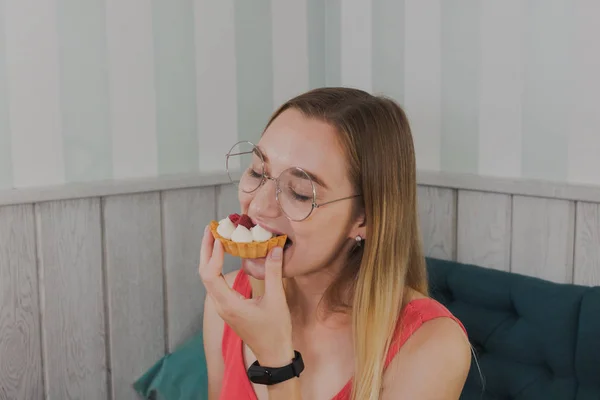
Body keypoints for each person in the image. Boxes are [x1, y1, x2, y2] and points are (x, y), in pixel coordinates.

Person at [199, 87, 471, 400]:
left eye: (300, 192)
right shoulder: (228, 302)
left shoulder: (432, 345)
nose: (258, 206)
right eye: (258, 171)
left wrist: (277, 363)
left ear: (365, 219)